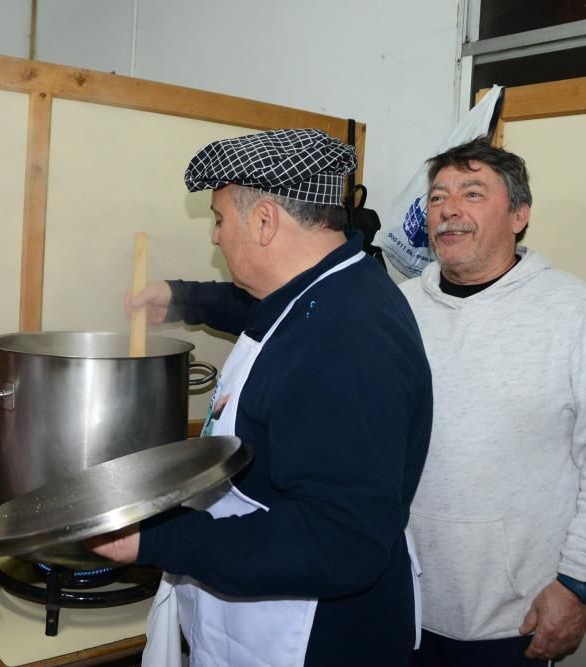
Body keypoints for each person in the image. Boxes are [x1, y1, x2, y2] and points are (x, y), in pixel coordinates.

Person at [93, 128, 433, 666]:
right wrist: (181, 298)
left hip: (315, 638)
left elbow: (339, 541)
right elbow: (258, 315)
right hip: (263, 621)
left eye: (220, 218)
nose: (214, 237)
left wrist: (158, 542)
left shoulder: (345, 339)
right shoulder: (324, 288)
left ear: (265, 220)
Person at [400, 137, 586, 665]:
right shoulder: (397, 309)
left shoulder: (574, 312)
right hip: (396, 600)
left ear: (519, 214)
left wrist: (580, 583)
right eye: (438, 196)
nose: (448, 210)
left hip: (513, 617)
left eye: (472, 193)